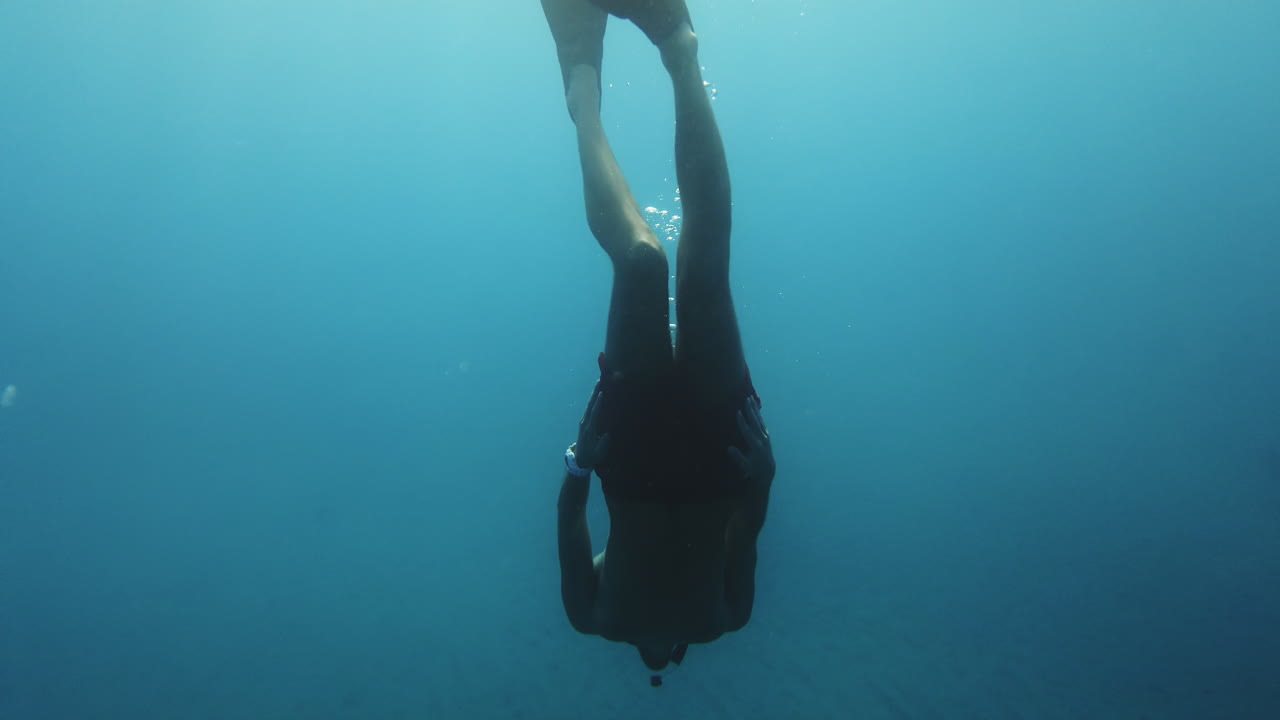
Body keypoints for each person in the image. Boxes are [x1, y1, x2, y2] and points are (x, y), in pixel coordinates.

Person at [543, 0, 777, 675]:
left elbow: (568, 525)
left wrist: (581, 460)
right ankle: (679, 48)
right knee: (702, 266)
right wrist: (762, 465)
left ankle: (581, 89)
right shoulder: (727, 619)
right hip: (717, 457)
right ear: (673, 659)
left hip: (633, 457)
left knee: (645, 263)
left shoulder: (592, 619)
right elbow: (751, 529)